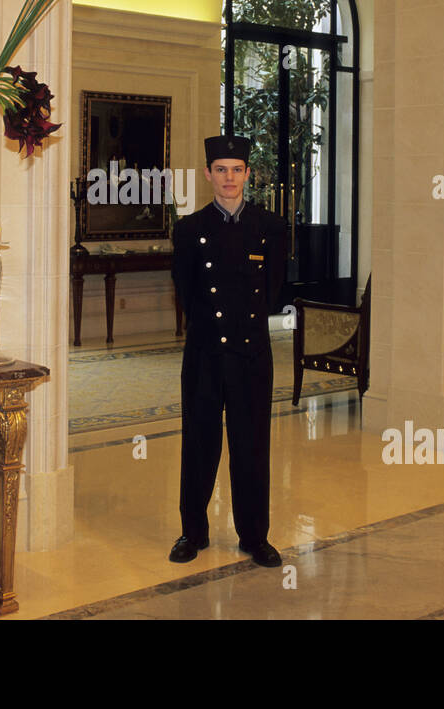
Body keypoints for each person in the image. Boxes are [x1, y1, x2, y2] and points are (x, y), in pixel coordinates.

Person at [168, 134, 287, 567]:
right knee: (198, 443)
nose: (229, 178)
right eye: (221, 169)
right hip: (203, 355)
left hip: (252, 353)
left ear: (247, 174)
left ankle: (255, 536)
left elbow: (272, 292)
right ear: (208, 174)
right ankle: (192, 533)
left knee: (252, 445)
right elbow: (186, 292)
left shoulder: (270, 228)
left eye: (237, 169)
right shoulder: (189, 230)